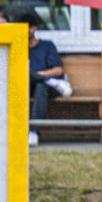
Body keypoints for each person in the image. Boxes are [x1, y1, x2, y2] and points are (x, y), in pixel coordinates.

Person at [21, 13, 64, 146]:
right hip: (25, 86)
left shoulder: (47, 46)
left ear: (35, 28)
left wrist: (38, 75)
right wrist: (40, 76)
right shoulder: (18, 48)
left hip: (47, 90)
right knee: (29, 75)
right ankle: (48, 80)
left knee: (41, 86)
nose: (25, 31)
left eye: (28, 28)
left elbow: (58, 70)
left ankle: (33, 132)